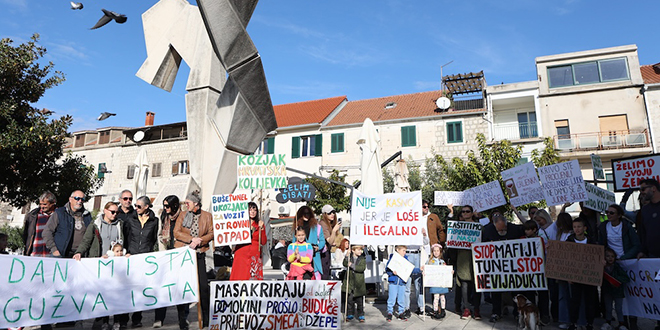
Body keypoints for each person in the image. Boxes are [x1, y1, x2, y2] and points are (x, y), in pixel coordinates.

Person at [174, 192, 214, 329]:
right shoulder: (183, 215)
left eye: (188, 203)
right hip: (184, 254)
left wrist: (200, 240)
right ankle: (182, 319)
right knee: (184, 287)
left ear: (195, 203)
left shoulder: (207, 216)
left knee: (203, 287)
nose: (186, 205)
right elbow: (176, 232)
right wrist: (191, 239)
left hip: (199, 254)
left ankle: (206, 318)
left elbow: (211, 232)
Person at [123, 195, 159, 328]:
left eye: (139, 206)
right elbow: (127, 236)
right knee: (128, 289)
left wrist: (148, 251)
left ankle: (137, 319)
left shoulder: (154, 221)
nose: (136, 208)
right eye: (135, 206)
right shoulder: (130, 219)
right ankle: (123, 319)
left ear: (146, 207)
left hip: (145, 258)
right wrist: (128, 251)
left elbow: (153, 238)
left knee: (140, 289)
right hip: (131, 257)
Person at [482, 211, 524, 323]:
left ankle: (517, 312)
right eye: (499, 230)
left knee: (515, 289)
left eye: (504, 229)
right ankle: (496, 312)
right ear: (494, 226)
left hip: (513, 266)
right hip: (496, 267)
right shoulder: (488, 230)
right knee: (496, 290)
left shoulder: (515, 229)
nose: (502, 231)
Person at [155, 195, 189, 330]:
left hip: (180, 256)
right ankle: (159, 318)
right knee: (163, 288)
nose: (166, 208)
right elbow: (160, 235)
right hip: (167, 255)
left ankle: (183, 319)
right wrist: (162, 253)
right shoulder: (164, 217)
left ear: (175, 205)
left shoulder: (184, 217)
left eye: (168, 206)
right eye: (164, 206)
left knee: (180, 289)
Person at [446, 204, 481, 320]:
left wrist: (479, 217)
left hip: (476, 260)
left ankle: (476, 309)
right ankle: (466, 308)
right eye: (463, 212)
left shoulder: (478, 226)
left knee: (477, 286)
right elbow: (449, 227)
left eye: (467, 211)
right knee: (464, 285)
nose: (465, 213)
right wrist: (451, 212)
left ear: (472, 213)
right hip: (462, 259)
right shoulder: (458, 226)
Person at [566, 217, 598, 330]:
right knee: (575, 301)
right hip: (575, 277)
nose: (577, 229)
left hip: (589, 277)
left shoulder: (592, 241)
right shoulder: (569, 241)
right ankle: (573, 323)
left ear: (584, 228)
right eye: (574, 227)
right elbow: (564, 259)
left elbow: (597, 257)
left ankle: (590, 323)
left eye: (579, 226)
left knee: (590, 301)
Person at [42, 190, 93, 258]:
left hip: (80, 255)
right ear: (70, 199)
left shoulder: (87, 215)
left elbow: (91, 235)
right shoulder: (60, 213)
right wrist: (54, 249)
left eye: (82, 199)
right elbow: (47, 232)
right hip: (61, 254)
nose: (80, 201)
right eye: (77, 198)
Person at [230, 201, 267, 280]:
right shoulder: (240, 223)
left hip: (254, 255)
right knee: (240, 275)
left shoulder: (259, 224)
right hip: (241, 254)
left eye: (255, 210)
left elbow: (263, 242)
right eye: (250, 210)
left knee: (253, 277)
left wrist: (262, 229)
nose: (253, 212)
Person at [385, 245, 421, 322]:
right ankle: (389, 312)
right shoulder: (393, 258)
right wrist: (392, 272)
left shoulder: (406, 259)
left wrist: (419, 270)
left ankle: (401, 312)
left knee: (401, 298)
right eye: (403, 251)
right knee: (392, 298)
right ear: (398, 250)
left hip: (402, 282)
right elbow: (387, 269)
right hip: (393, 282)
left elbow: (410, 270)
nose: (405, 252)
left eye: (405, 251)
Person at [291, 206, 325, 279]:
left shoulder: (317, 227)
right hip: (301, 258)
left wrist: (318, 247)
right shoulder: (297, 228)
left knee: (315, 280)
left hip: (314, 258)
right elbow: (293, 242)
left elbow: (322, 240)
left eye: (308, 213)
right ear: (300, 215)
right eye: (304, 213)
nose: (306, 215)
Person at [601, 247, 629, 330]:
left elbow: (626, 278)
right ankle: (608, 322)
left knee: (619, 308)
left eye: (612, 256)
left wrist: (616, 280)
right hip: (607, 291)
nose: (610, 258)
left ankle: (621, 323)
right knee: (608, 308)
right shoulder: (602, 267)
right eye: (608, 256)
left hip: (618, 291)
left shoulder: (617, 267)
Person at [22, 191, 57, 256]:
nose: (42, 206)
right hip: (35, 253)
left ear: (53, 203)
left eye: (45, 204)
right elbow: (26, 234)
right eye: (40, 204)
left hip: (52, 254)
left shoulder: (60, 215)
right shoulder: (33, 215)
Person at [342, 245, 366, 323]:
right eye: (358, 250)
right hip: (350, 282)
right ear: (353, 250)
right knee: (350, 300)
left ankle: (360, 314)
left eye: (361, 250)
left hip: (358, 283)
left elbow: (362, 268)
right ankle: (350, 313)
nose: (360, 252)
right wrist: (346, 255)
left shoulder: (362, 259)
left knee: (359, 301)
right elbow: (345, 263)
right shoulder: (349, 257)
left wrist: (352, 265)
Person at [319, 204, 342, 280]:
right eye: (329, 213)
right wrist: (334, 231)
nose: (332, 214)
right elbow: (330, 241)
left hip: (326, 253)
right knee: (324, 276)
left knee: (327, 274)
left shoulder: (329, 224)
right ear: (324, 214)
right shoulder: (323, 224)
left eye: (333, 212)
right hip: (322, 254)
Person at [426, 243, 449, 319]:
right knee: (436, 297)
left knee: (442, 296)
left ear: (440, 252)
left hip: (441, 282)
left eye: (437, 251)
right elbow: (427, 268)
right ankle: (435, 310)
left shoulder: (442, 261)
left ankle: (443, 309)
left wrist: (449, 271)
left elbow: (446, 270)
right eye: (434, 251)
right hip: (435, 282)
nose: (436, 252)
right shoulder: (430, 261)